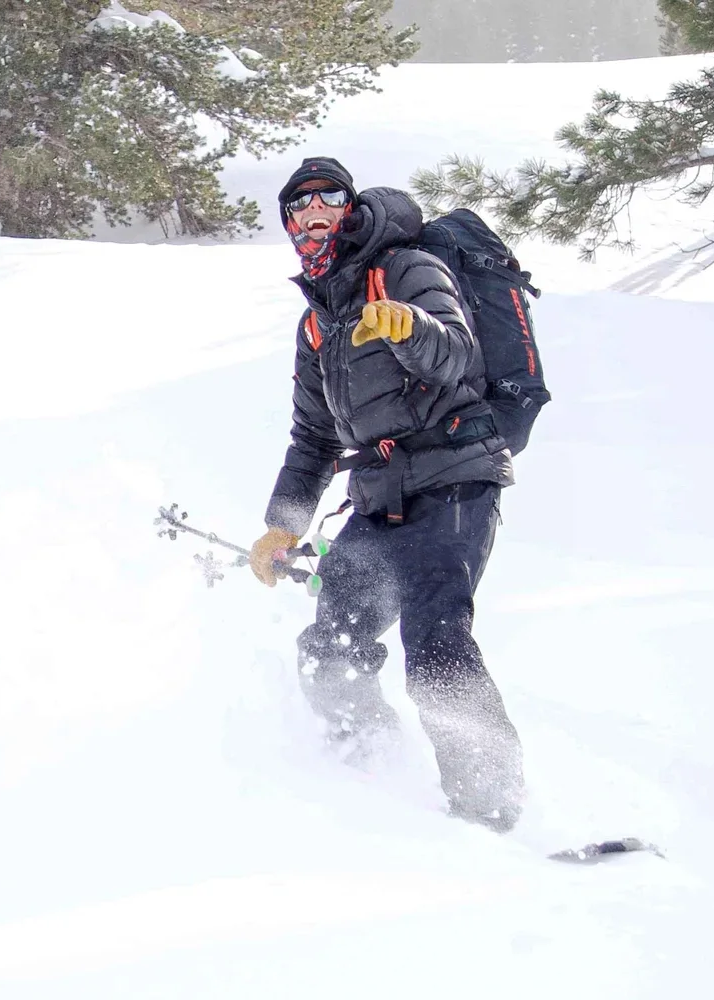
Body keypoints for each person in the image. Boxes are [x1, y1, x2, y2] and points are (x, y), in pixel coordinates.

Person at [248, 156, 526, 833]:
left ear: (349, 207)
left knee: (435, 643)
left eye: (328, 200)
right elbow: (313, 441)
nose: (314, 215)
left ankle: (491, 809)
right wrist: (283, 525)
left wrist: (410, 328)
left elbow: (457, 352)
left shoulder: (405, 268)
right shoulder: (317, 323)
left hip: (455, 479)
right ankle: (365, 770)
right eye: (299, 207)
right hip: (378, 500)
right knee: (330, 645)